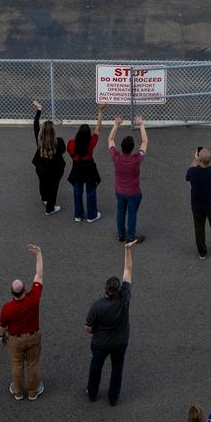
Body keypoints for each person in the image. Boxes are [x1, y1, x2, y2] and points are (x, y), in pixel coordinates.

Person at [83, 240, 137, 405]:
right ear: (119, 289)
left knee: (96, 368)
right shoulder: (124, 298)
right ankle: (113, 398)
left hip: (101, 343)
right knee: (117, 369)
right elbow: (128, 270)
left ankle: (92, 393)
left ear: (106, 289)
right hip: (120, 342)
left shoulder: (98, 306)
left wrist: (94, 332)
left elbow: (88, 327)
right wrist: (127, 250)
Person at [0, 244, 46, 401]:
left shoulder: (7, 308)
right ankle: (33, 391)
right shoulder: (34, 298)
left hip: (16, 339)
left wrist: (2, 336)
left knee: (17, 365)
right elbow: (39, 275)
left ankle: (18, 391)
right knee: (32, 363)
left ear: (12, 293)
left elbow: (2, 326)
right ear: (24, 289)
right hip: (33, 336)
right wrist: (38, 254)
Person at [109, 114, 148, 243]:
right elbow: (144, 142)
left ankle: (121, 234)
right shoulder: (136, 159)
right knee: (132, 214)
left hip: (120, 191)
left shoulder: (116, 157)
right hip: (133, 192)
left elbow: (110, 140)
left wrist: (116, 125)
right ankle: (131, 236)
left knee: (120, 212)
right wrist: (141, 125)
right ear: (132, 148)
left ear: (122, 147)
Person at [185, 146, 211, 259]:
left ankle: (202, 253)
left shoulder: (193, 172)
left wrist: (195, 160)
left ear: (199, 159)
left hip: (197, 205)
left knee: (199, 228)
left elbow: (187, 175)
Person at [67, 104, 104, 222]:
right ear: (88, 135)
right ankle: (92, 215)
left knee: (77, 191)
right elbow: (98, 128)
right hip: (89, 168)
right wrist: (100, 111)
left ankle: (78, 214)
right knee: (91, 191)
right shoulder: (91, 143)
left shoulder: (72, 143)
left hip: (77, 168)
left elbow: (70, 153)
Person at [30, 101, 64, 215]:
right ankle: (50, 208)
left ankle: (44, 198)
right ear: (54, 132)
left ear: (42, 131)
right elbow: (63, 151)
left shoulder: (40, 141)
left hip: (41, 167)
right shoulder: (58, 142)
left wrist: (39, 110)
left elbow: (35, 125)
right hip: (55, 169)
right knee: (53, 187)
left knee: (43, 182)